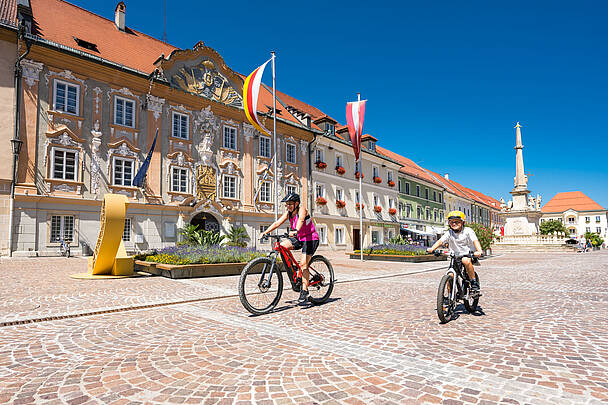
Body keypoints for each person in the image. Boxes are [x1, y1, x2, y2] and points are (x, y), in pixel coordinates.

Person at [261, 193, 320, 304]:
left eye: (289, 204)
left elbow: (301, 220)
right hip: (299, 238)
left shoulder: (302, 209)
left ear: (296, 204)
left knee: (303, 264)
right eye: (286, 204)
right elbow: (277, 223)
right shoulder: (288, 213)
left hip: (310, 239)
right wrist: (265, 232)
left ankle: (304, 290)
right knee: (282, 246)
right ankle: (294, 269)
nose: (287, 206)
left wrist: (296, 230)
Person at [426, 210, 483, 297]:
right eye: (451, 222)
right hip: (455, 257)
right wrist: (432, 248)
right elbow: (441, 241)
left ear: (462, 222)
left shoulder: (468, 231)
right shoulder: (449, 233)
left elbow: (475, 240)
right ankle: (450, 297)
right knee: (450, 276)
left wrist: (479, 251)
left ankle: (474, 283)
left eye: (457, 221)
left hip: (467, 255)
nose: (454, 223)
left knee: (465, 260)